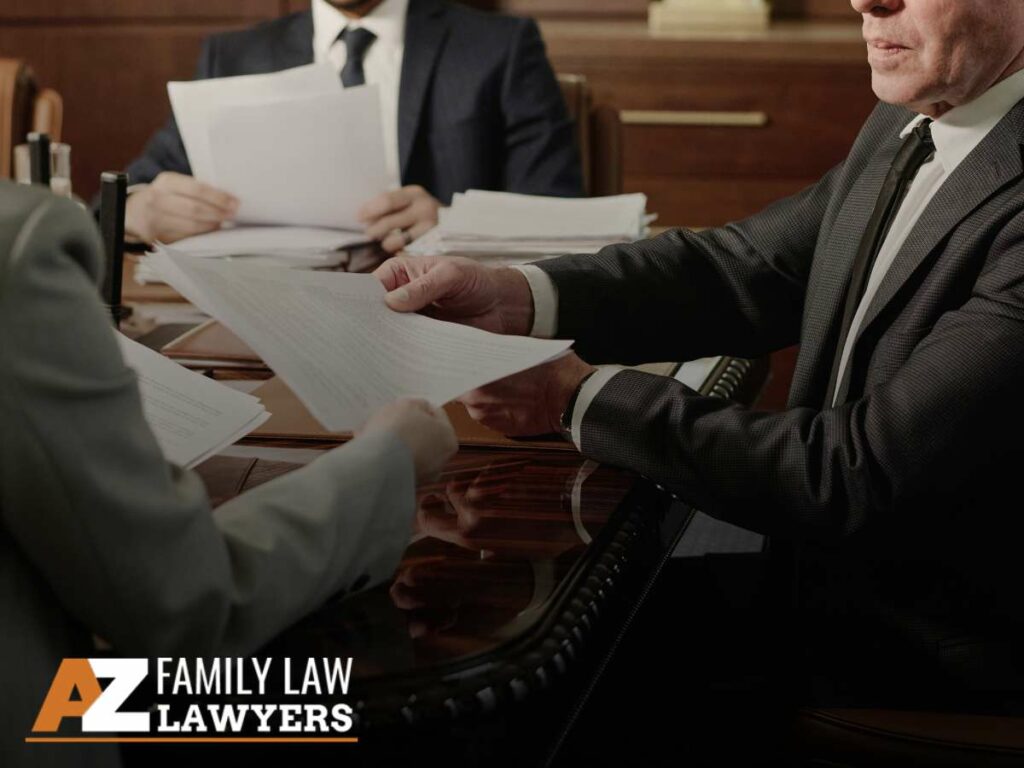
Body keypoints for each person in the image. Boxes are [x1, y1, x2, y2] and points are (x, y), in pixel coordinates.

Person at [373, 0, 1024, 714]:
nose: (866, 1)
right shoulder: (923, 113)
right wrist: (517, 295)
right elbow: (747, 267)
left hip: (923, 661)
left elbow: (853, 473)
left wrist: (571, 397)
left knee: (492, 685)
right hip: (822, 584)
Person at [0, 181, 457, 767]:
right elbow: (184, 599)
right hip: (53, 716)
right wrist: (388, 462)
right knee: (339, 699)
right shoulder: (21, 244)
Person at [121, 0, 583, 251]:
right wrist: (141, 212)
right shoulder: (233, 56)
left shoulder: (500, 47)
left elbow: (561, 216)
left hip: (442, 314)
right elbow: (122, 197)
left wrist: (452, 225)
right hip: (269, 321)